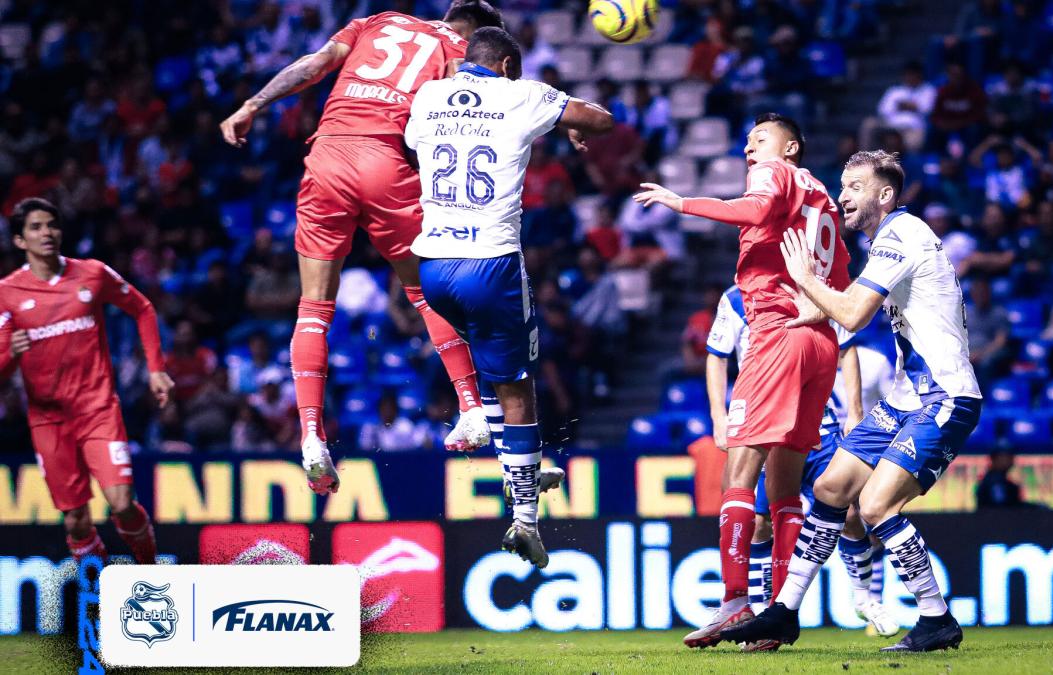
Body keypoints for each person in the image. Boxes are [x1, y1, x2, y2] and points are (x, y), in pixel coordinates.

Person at [219, 0, 507, 496]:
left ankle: (311, 437)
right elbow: (492, 109)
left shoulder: (379, 21)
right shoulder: (460, 50)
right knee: (423, 293)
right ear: (481, 33)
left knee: (313, 309)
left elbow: (312, 67)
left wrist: (252, 105)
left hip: (328, 155)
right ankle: (471, 406)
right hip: (385, 161)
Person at [722, 150, 982, 653]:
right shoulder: (891, 241)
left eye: (855, 186)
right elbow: (845, 311)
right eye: (841, 185)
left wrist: (805, 280)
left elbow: (855, 315)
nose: (842, 195)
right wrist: (815, 312)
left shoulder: (900, 237)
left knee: (876, 504)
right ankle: (784, 613)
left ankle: (936, 618)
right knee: (831, 485)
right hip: (909, 397)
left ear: (885, 195)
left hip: (944, 396)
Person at [635, 112, 851, 647]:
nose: (751, 145)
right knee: (784, 488)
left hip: (777, 332)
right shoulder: (821, 198)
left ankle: (734, 600)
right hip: (820, 339)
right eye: (748, 139)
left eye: (762, 137)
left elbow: (754, 206)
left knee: (740, 467)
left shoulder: (775, 174)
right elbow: (842, 282)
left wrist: (682, 202)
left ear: (791, 147)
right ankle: (777, 617)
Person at [405, 27, 613, 568]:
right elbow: (601, 121)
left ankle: (524, 460)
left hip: (431, 266)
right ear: (506, 63)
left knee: (494, 370)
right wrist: (564, 123)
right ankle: (524, 517)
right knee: (517, 385)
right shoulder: (521, 93)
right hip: (490, 263)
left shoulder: (428, 97)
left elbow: (414, 144)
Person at [704, 284, 897, 649]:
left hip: (818, 422)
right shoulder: (734, 298)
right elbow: (716, 354)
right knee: (760, 524)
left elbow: (846, 347)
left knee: (849, 512)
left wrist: (854, 412)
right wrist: (718, 415)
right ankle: (762, 616)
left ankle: (865, 597)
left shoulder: (811, 287)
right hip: (763, 422)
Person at [0, 198, 175, 564]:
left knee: (122, 503)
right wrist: (10, 353)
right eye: (35, 227)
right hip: (49, 421)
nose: (46, 233)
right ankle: (99, 598)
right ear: (19, 241)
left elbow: (141, 307)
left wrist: (155, 368)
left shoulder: (92, 274)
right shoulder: (7, 294)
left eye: (51, 224)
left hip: (98, 410)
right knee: (77, 521)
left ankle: (153, 572)